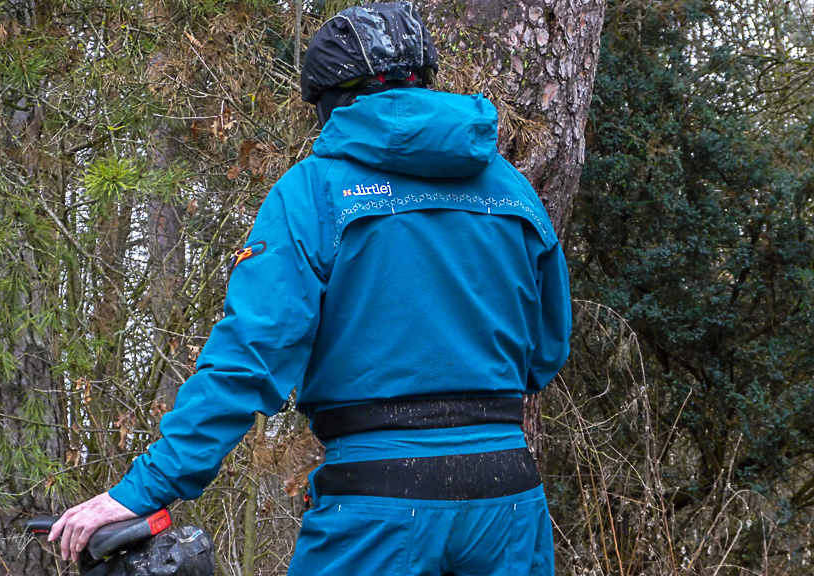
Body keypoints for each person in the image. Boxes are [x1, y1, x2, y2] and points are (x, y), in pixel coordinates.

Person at [50, 2, 571, 575]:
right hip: (507, 497)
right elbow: (546, 351)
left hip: (376, 499)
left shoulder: (314, 191)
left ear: (328, 102)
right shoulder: (512, 190)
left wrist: (144, 489)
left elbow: (250, 357)